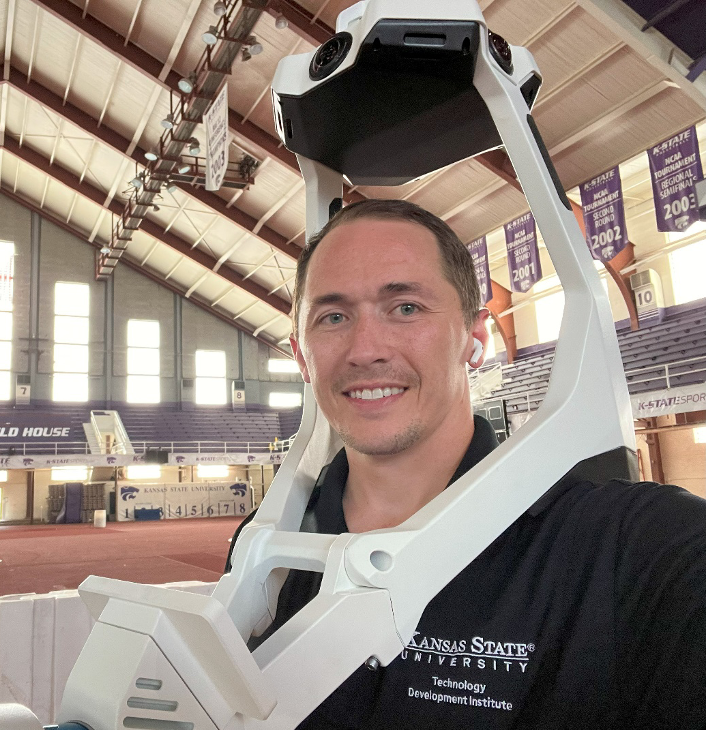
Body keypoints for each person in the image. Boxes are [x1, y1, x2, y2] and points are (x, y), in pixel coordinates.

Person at [226, 199, 706, 729]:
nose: (365, 350)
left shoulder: (636, 546)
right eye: (333, 317)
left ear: (475, 338)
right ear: (301, 355)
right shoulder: (265, 547)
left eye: (405, 308)